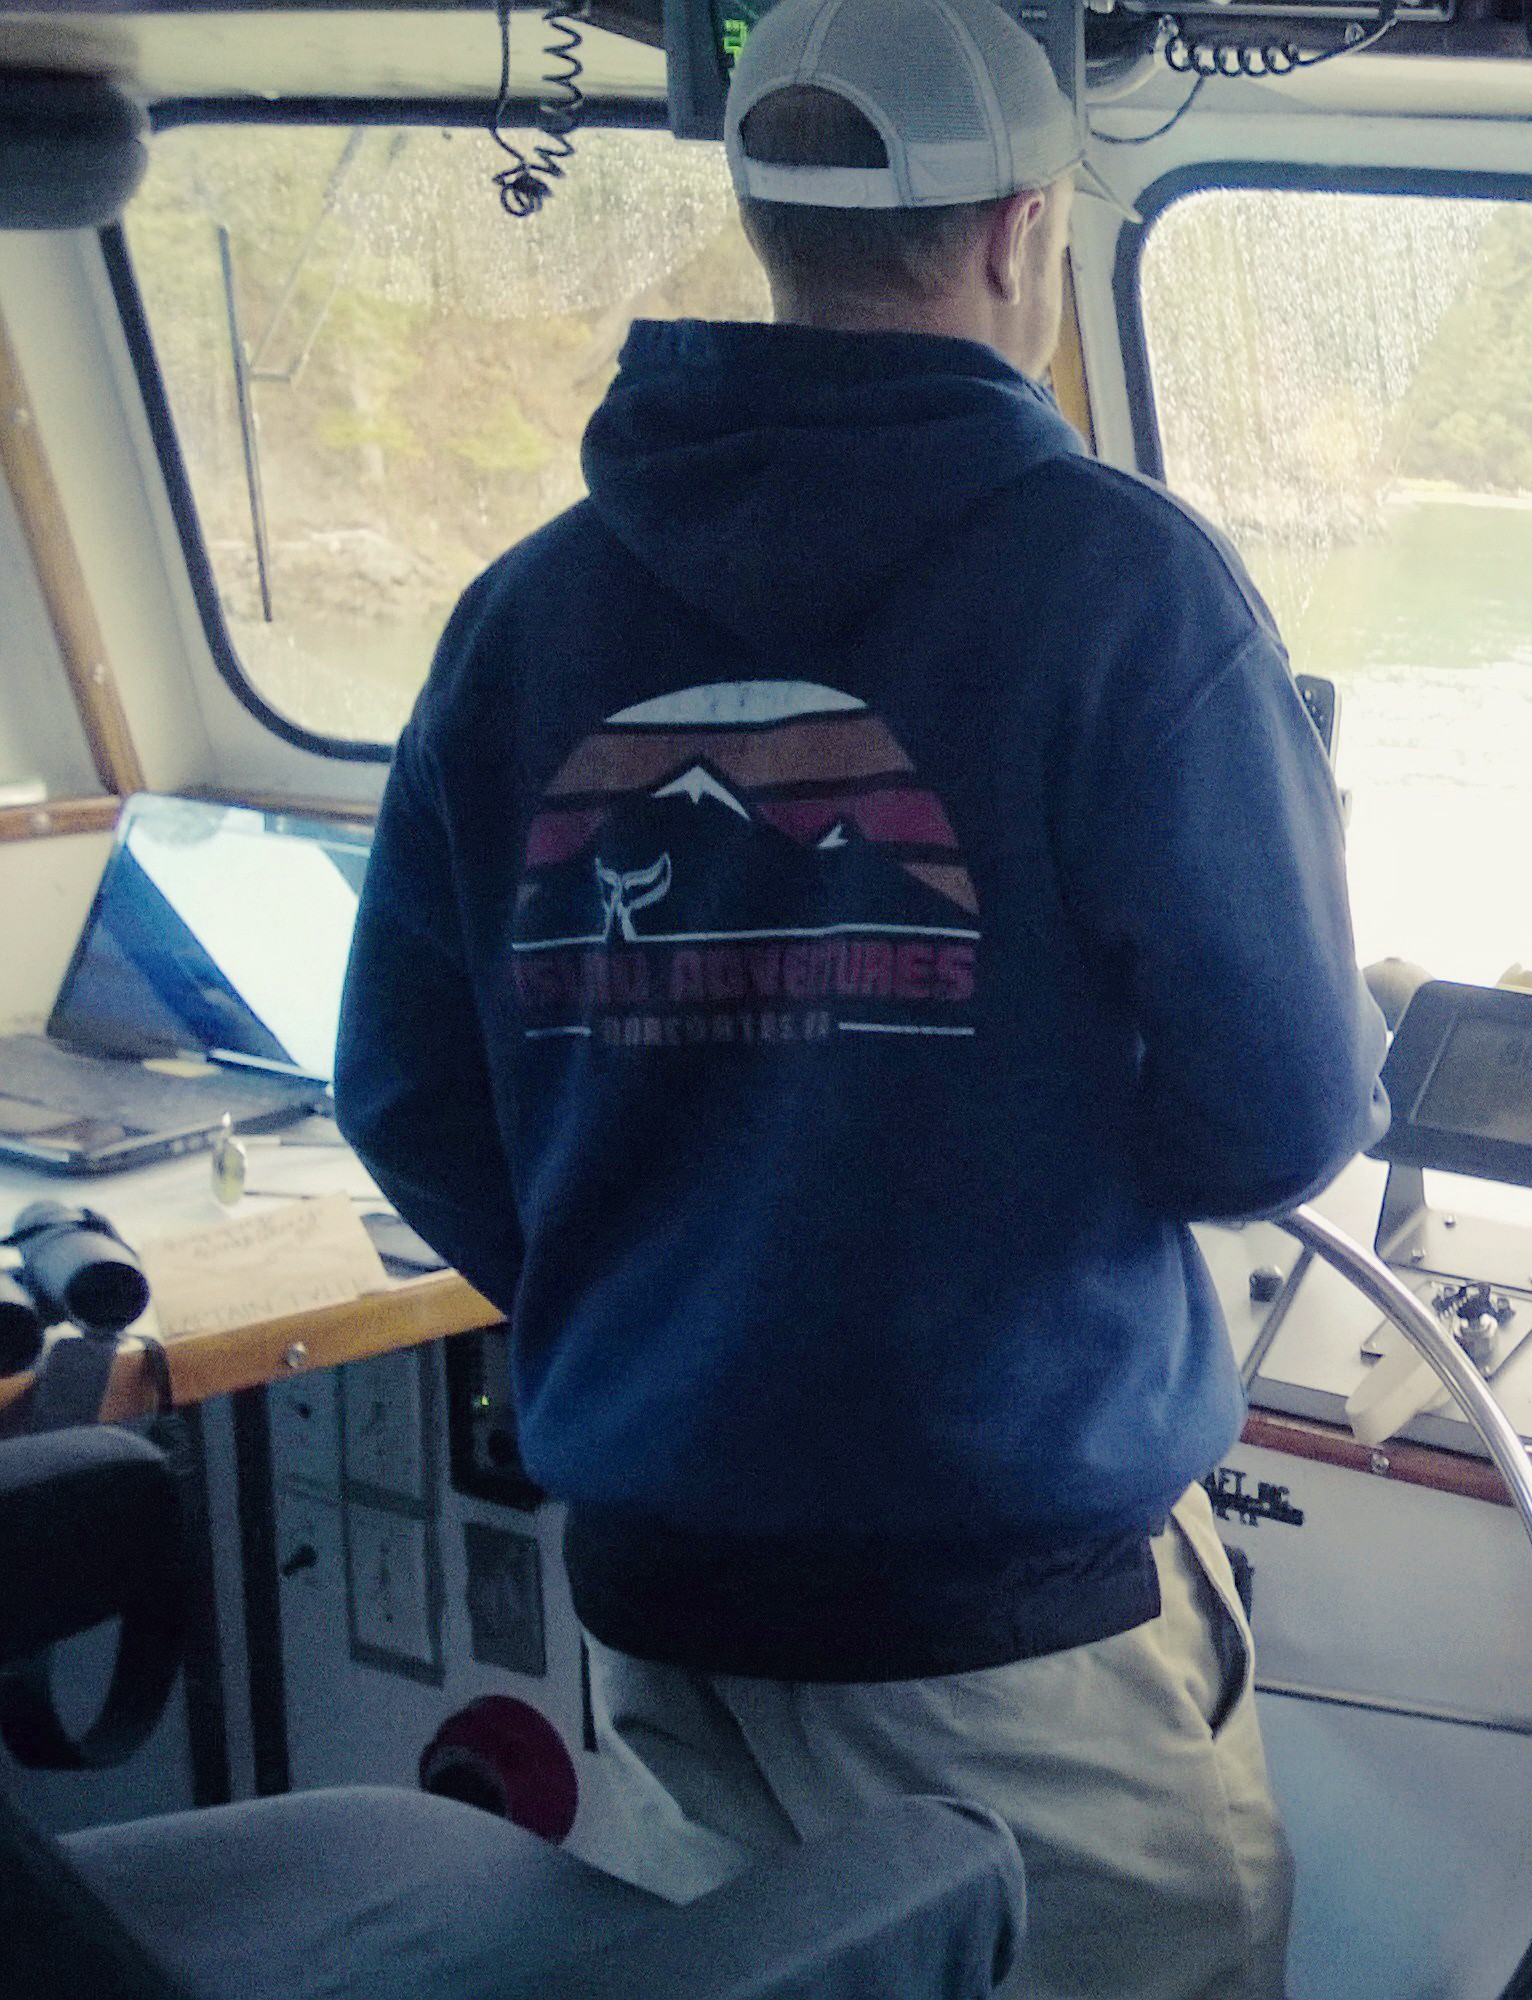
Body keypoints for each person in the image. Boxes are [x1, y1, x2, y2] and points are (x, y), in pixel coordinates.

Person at [335, 2, 1384, 1993]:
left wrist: (664, 1294)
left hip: (665, 1610)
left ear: (767, 223)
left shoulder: (525, 615)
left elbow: (402, 1090)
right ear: (1018, 230)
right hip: (1004, 1622)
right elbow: (1281, 1115)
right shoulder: (1126, 591)